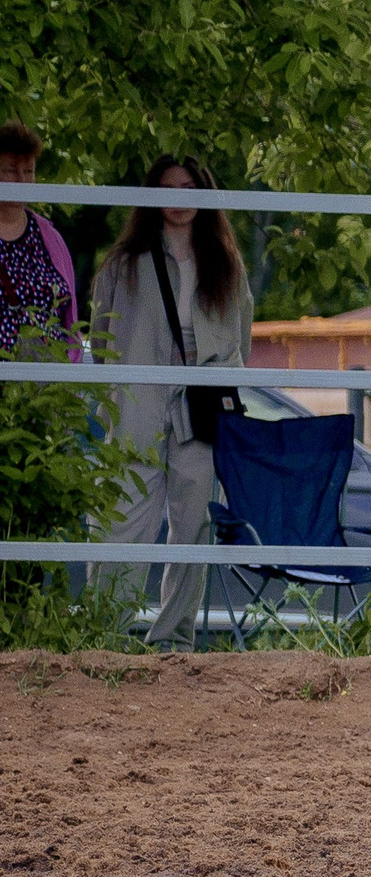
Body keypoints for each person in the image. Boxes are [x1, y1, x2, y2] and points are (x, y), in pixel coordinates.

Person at [90, 160, 253, 652]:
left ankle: (173, 641)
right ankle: (105, 635)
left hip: (201, 401)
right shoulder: (125, 263)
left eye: (190, 187)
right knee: (123, 515)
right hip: (140, 396)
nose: (180, 198)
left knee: (194, 520)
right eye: (168, 188)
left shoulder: (226, 262)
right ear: (152, 195)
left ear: (205, 192)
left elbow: (240, 334)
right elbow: (102, 338)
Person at [0, 121, 84, 361]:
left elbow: (69, 317)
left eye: (28, 171)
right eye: (10, 170)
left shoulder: (50, 238)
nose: (21, 179)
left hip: (44, 386)